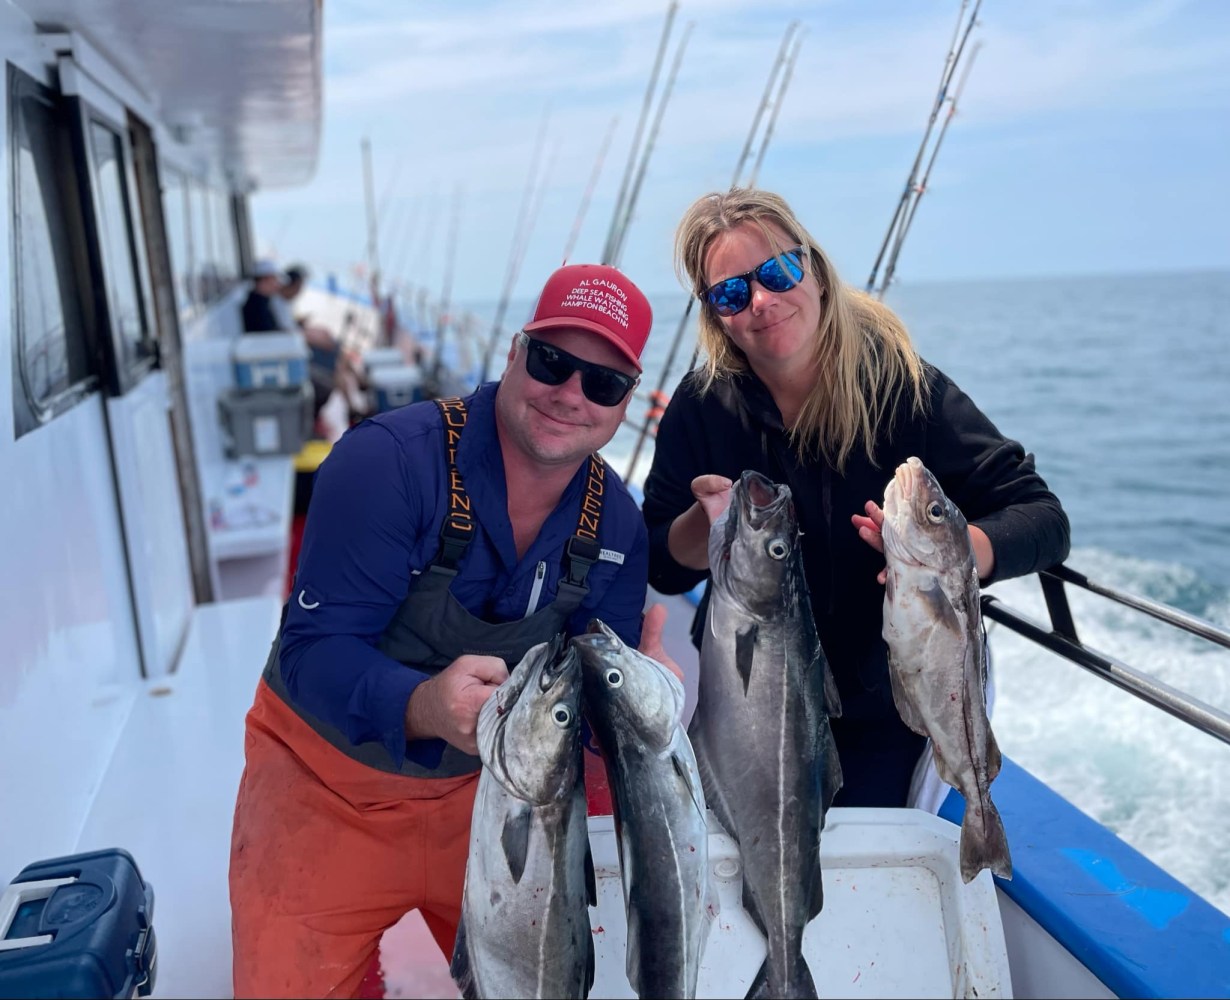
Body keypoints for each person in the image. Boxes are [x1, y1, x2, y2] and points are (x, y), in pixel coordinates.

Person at [229, 262, 676, 998]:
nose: (571, 395)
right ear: (514, 351)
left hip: (493, 804)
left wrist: (642, 698)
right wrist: (423, 706)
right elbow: (313, 652)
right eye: (553, 362)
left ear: (626, 402)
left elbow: (595, 709)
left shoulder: (619, 524)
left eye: (603, 382)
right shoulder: (387, 462)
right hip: (323, 788)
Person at [641, 187, 1070, 809]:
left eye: (779, 270)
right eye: (732, 293)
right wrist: (699, 528)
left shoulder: (902, 386)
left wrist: (944, 555)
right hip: (749, 697)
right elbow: (659, 557)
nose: (762, 301)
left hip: (889, 707)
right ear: (716, 316)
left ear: (813, 269)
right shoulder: (702, 407)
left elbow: (1042, 518)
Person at [240, 258, 287, 332]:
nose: (278, 283)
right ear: (265, 280)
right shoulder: (256, 306)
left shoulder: (262, 301)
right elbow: (268, 333)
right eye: (275, 278)